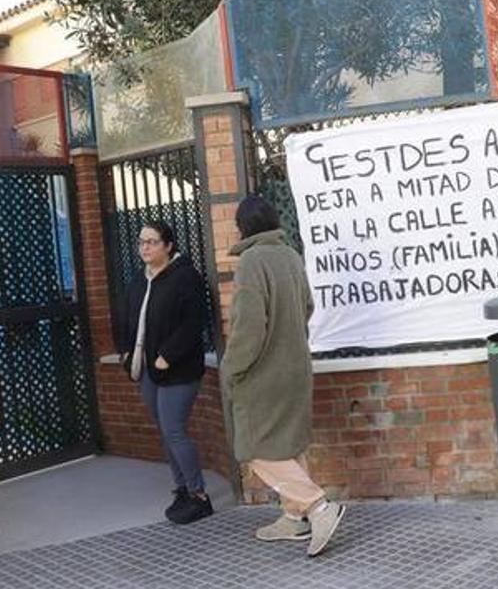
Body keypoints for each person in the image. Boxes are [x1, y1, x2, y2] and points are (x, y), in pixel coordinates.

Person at [221, 195, 345, 557]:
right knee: (289, 442)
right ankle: (294, 518)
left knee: (255, 447)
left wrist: (233, 368)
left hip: (264, 372)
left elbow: (248, 328)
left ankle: (319, 507)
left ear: (243, 226)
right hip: (296, 365)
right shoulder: (290, 256)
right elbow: (308, 306)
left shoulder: (251, 262)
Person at [116, 220, 212, 524]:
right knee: (166, 432)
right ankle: (182, 487)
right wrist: (127, 351)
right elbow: (126, 318)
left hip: (178, 370)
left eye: (152, 242)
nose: (145, 248)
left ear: (168, 246)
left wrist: (167, 356)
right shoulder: (139, 280)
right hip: (146, 371)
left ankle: (199, 495)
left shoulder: (186, 278)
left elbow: (193, 323)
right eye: (142, 242)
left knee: (174, 429)